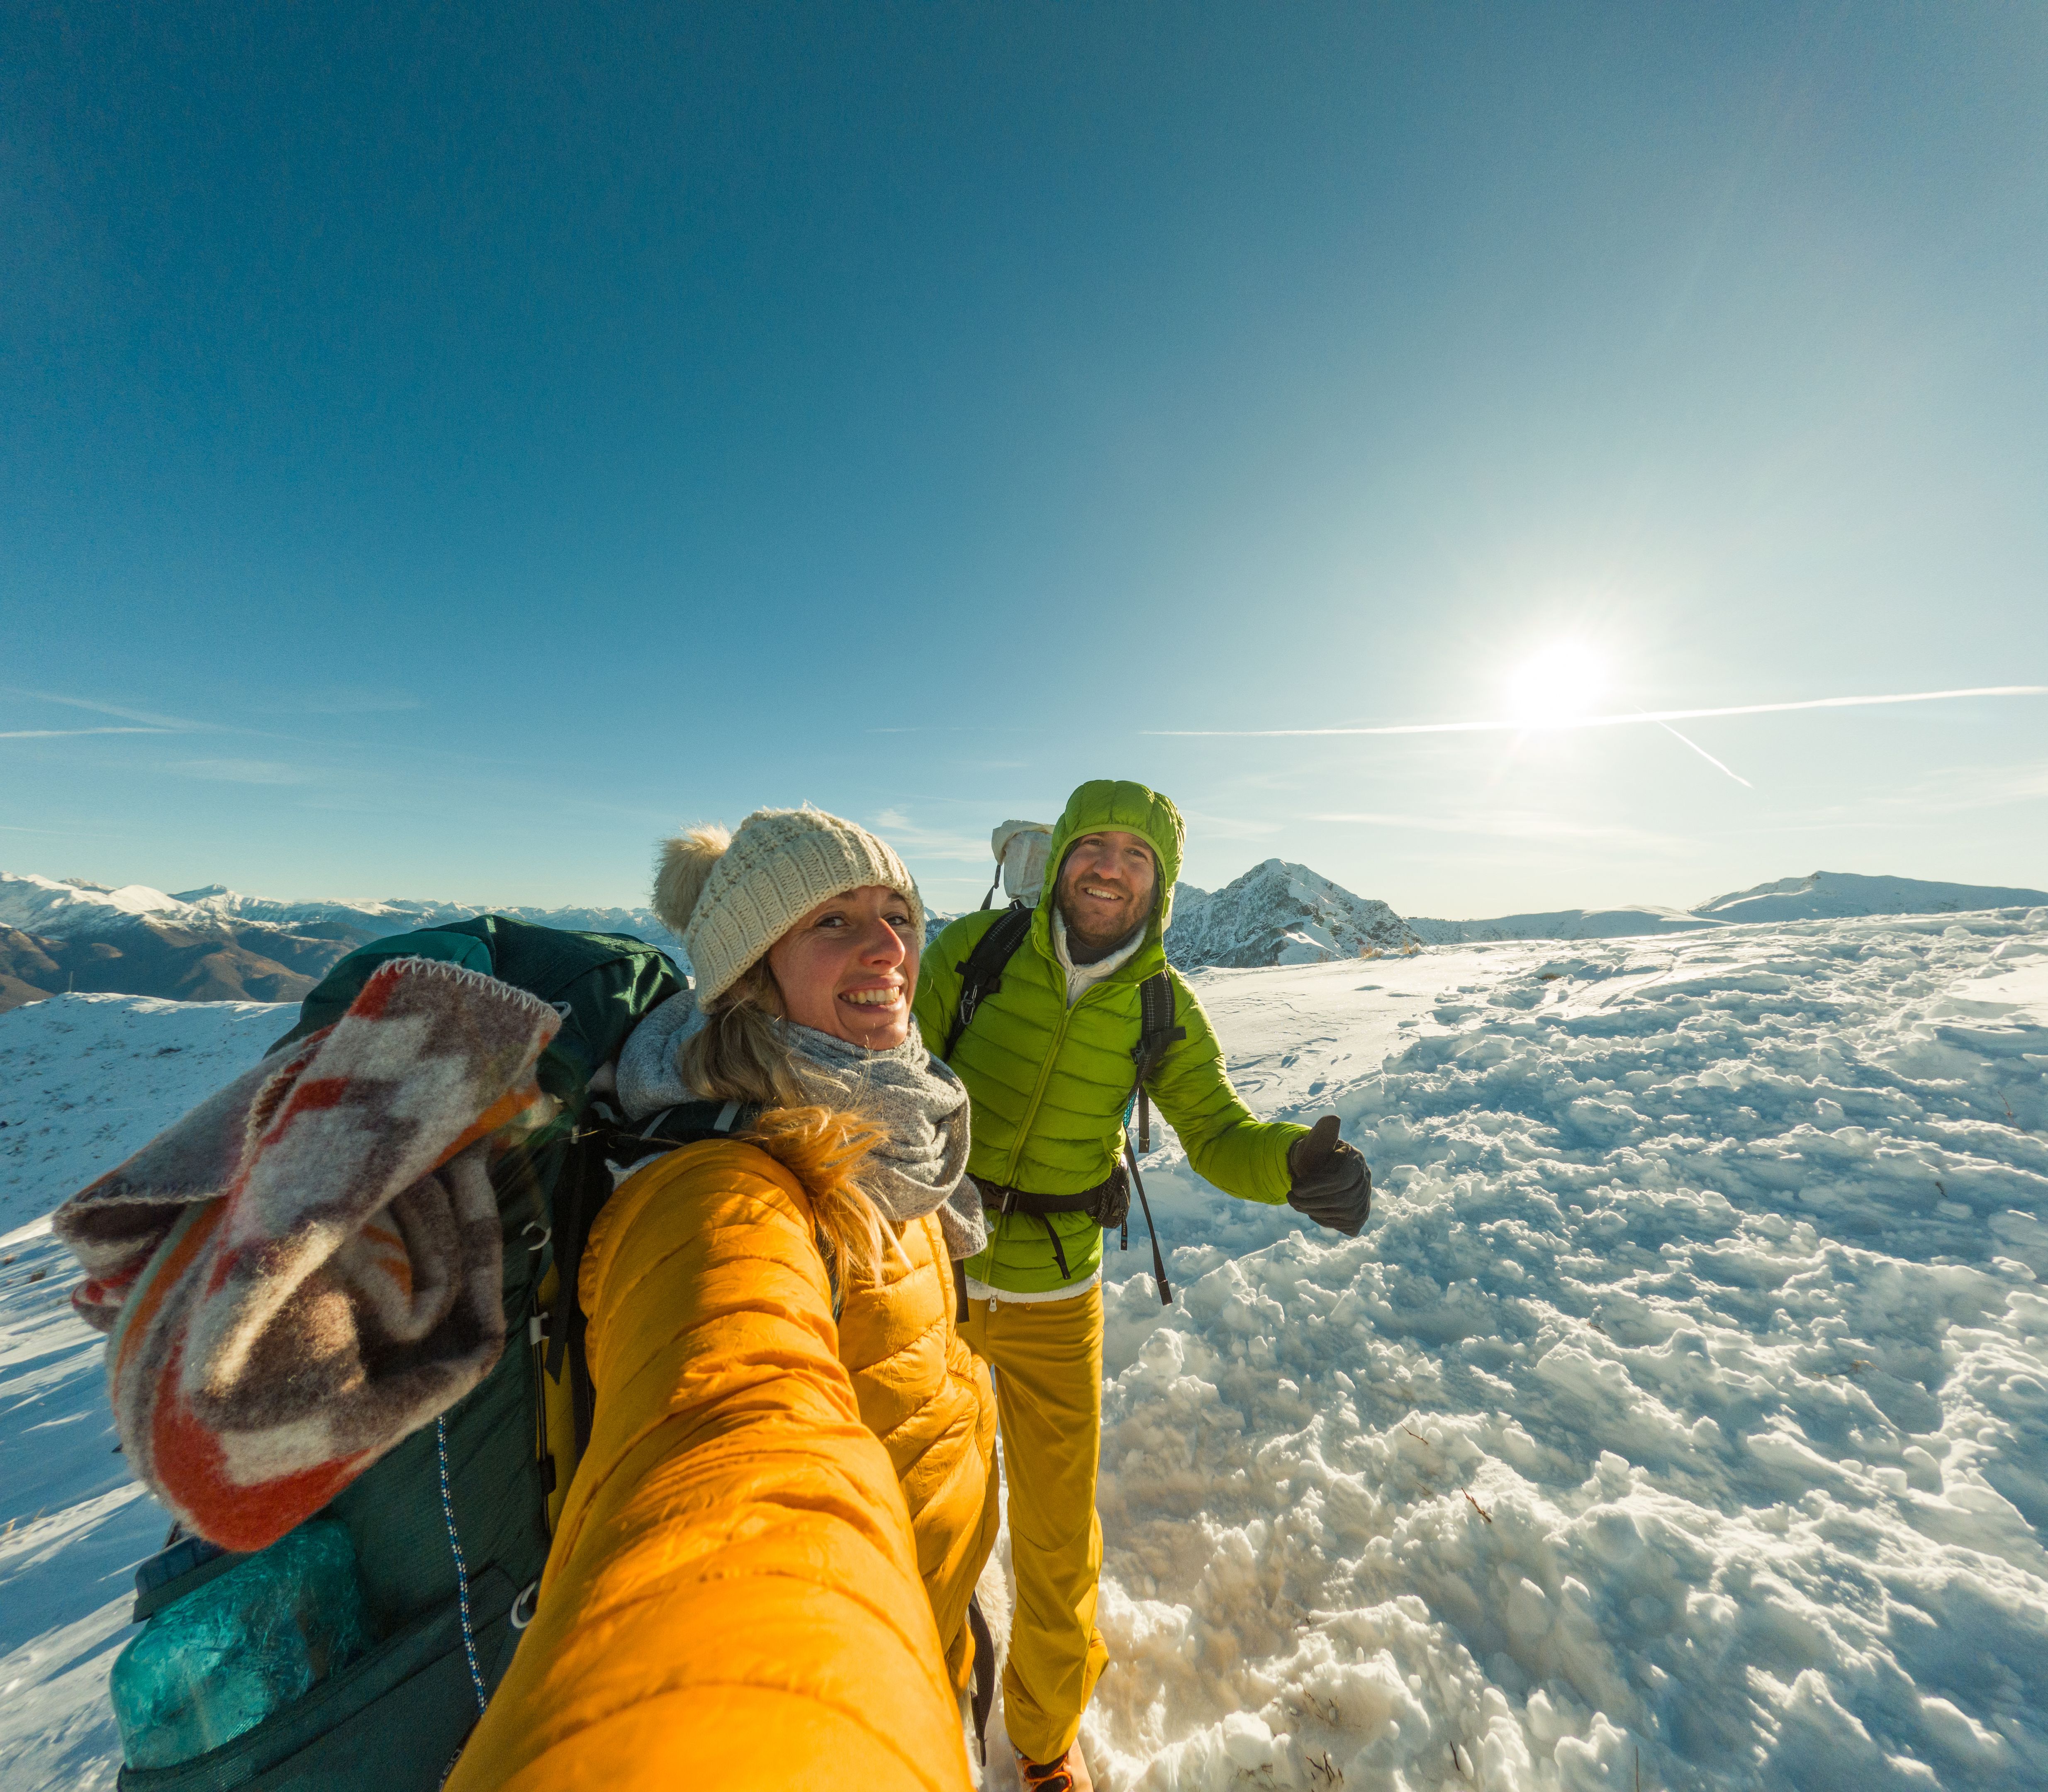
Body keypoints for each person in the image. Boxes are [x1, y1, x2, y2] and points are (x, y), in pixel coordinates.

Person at [453, 805, 999, 1787]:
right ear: (750, 972)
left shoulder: (882, 1109)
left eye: (897, 914)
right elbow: (731, 1439)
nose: (888, 947)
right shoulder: (713, 1184)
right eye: (831, 922)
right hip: (842, 1672)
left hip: (916, 1628)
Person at [913, 779, 1371, 1791]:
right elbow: (887, 1070)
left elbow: (1216, 1130)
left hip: (1053, 1294)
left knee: (1056, 1536)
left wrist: (1295, 1165)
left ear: (1159, 884)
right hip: (924, 1270)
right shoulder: (970, 957)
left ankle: (1041, 1741)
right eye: (1093, 844)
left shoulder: (1162, 1004)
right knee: (922, 1508)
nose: (1109, 865)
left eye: (1135, 854)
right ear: (1064, 855)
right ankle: (911, 1703)